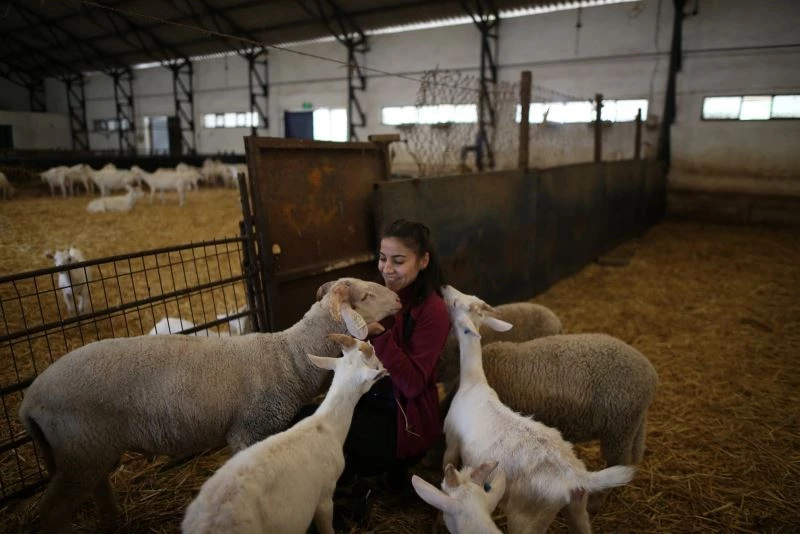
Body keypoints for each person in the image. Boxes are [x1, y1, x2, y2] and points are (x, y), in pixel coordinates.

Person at [293, 219, 450, 500]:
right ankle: (330, 491)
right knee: (304, 420)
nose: (387, 269)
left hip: (405, 423)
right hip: (369, 400)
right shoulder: (376, 295)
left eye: (398, 261)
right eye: (382, 258)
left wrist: (376, 335)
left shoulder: (433, 311)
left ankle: (347, 494)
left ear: (424, 260)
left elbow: (413, 385)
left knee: (330, 440)